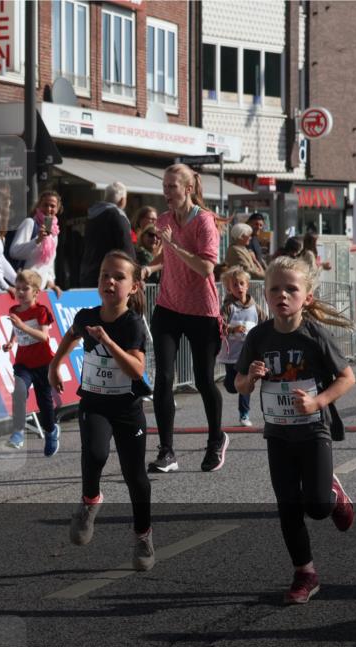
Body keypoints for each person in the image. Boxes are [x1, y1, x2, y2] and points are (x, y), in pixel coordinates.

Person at [235, 255, 356, 604]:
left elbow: (347, 378)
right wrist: (250, 378)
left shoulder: (314, 334)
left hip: (313, 430)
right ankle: (305, 573)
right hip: (278, 434)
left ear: (307, 296)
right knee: (288, 506)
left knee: (316, 506)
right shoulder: (258, 336)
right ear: (265, 295)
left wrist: (318, 403)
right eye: (275, 289)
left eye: (291, 289)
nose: (282, 295)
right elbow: (240, 385)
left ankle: (333, 496)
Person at [49, 250, 155, 571]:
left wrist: (108, 343)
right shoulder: (86, 317)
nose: (110, 281)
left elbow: (137, 370)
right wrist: (55, 365)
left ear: (134, 287)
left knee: (135, 477)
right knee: (95, 454)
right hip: (94, 403)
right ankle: (90, 501)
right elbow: (70, 337)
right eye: (104, 275)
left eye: (119, 277)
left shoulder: (133, 325)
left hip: (126, 408)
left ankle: (142, 535)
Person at [148, 163, 228, 474]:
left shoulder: (205, 222)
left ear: (188, 189)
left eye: (172, 187)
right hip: (168, 306)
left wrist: (174, 245)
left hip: (201, 311)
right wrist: (147, 269)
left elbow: (207, 268)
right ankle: (167, 451)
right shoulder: (165, 219)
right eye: (164, 186)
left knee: (203, 380)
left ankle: (215, 440)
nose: (166, 193)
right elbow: (165, 256)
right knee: (164, 378)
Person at [1, 270, 60, 455]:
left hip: (43, 363)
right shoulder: (14, 311)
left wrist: (22, 326)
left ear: (36, 292)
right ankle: (18, 432)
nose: (20, 292)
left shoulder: (41, 311)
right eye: (17, 288)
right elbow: (16, 329)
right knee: (19, 391)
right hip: (23, 362)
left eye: (25, 288)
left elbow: (43, 337)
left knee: (45, 404)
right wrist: (11, 341)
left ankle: (51, 431)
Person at [217, 267, 266, 427]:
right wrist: (232, 329)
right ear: (229, 288)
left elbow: (265, 323)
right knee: (232, 387)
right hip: (231, 354)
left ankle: (244, 414)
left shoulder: (255, 308)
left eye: (241, 284)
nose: (238, 287)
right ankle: (228, 383)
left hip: (247, 355)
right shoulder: (229, 307)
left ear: (247, 286)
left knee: (245, 385)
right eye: (234, 285)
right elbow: (220, 325)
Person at [78, 182, 135, 287]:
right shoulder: (117, 215)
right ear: (123, 200)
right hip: (110, 278)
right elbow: (126, 248)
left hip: (89, 274)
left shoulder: (92, 216)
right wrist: (136, 275)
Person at [8, 190, 64, 298]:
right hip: (23, 289)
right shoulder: (29, 223)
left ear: (57, 209)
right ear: (39, 206)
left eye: (52, 206)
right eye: (45, 205)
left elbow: (49, 262)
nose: (48, 209)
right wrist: (37, 241)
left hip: (39, 290)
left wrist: (50, 282)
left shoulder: (54, 232)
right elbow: (14, 252)